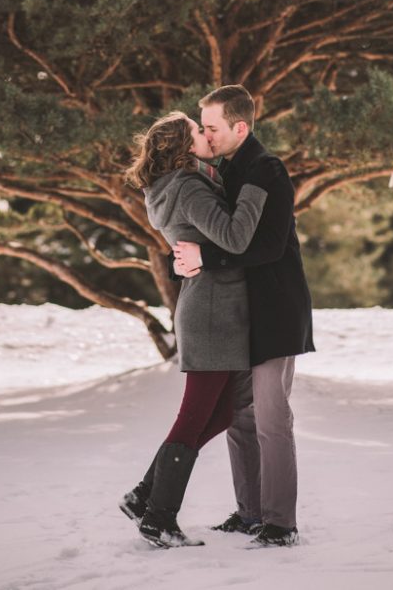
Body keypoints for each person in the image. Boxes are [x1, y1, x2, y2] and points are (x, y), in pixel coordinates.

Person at [173, 84, 315, 548]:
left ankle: (280, 524)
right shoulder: (224, 171)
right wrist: (188, 258)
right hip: (239, 314)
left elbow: (268, 247)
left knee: (273, 419)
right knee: (239, 418)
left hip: (276, 312)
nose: (206, 136)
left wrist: (206, 259)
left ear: (239, 126)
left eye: (212, 128)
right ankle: (249, 512)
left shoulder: (264, 168)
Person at [121, 110, 269, 549]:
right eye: (198, 131)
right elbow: (234, 237)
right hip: (211, 312)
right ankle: (159, 519)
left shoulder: (169, 187)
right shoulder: (188, 187)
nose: (207, 135)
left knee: (220, 414)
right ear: (185, 149)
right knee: (192, 417)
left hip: (209, 308)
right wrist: (255, 191)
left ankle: (144, 494)